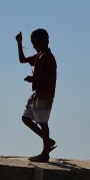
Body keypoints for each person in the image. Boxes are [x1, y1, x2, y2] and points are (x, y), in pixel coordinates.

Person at [15, 28, 57, 162]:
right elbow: (22, 60)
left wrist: (34, 79)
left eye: (35, 43)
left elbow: (51, 77)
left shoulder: (48, 58)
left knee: (43, 123)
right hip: (37, 94)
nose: (33, 46)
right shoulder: (38, 56)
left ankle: (45, 153)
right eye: (32, 43)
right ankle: (48, 141)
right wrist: (19, 43)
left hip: (45, 94)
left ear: (45, 42)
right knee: (26, 118)